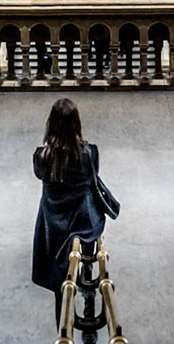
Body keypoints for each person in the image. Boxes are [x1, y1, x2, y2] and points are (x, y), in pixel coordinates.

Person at [31, 98, 117, 317]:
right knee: (88, 238)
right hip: (84, 221)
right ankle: (88, 282)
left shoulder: (42, 157)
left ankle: (62, 323)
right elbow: (93, 176)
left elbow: (39, 175)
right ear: (77, 124)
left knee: (61, 285)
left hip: (54, 226)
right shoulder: (89, 154)